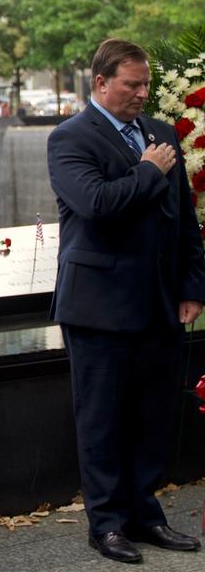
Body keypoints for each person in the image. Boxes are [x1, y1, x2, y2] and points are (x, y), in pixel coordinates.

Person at [47, 38, 204, 563]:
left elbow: (183, 220)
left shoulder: (159, 133)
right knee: (102, 420)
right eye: (132, 84)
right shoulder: (69, 138)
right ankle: (106, 524)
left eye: (146, 84)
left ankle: (145, 514)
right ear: (100, 83)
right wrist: (147, 171)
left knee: (152, 415)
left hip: (160, 302)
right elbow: (95, 205)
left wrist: (191, 286)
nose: (143, 93)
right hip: (97, 307)